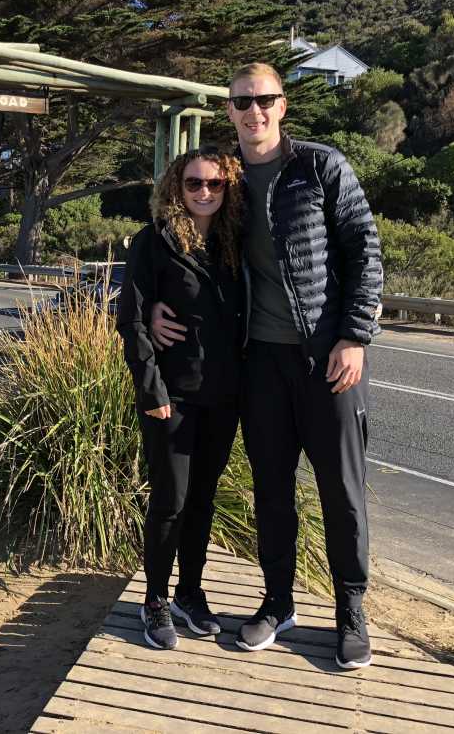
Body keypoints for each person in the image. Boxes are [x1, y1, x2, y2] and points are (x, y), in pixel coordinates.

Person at [152, 62, 382, 669]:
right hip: (259, 363)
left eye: (265, 99)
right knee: (271, 491)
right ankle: (278, 602)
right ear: (228, 109)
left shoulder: (320, 166)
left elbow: (365, 249)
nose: (254, 110)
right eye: (242, 101)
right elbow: (179, 243)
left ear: (283, 105)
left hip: (327, 357)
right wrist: (153, 307)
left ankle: (351, 609)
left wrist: (354, 335)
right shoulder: (225, 180)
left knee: (343, 492)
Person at [117, 146, 246, 650]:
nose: (204, 192)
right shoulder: (155, 242)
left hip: (224, 395)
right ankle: (154, 599)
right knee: (170, 500)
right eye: (194, 183)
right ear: (177, 186)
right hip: (171, 394)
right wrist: (150, 387)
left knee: (203, 500)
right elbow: (132, 317)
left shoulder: (239, 242)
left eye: (215, 184)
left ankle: (190, 593)